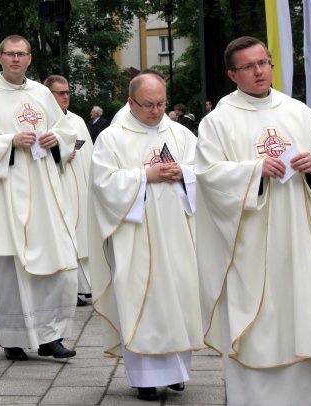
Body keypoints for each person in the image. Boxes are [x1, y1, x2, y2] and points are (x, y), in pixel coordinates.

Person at [196, 36, 311, 406]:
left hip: (299, 236)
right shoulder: (218, 121)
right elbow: (208, 175)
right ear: (232, 74)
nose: (260, 71)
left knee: (303, 309)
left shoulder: (299, 111)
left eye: (264, 62)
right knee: (258, 322)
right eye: (248, 66)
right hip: (249, 244)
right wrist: (254, 171)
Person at [0, 35, 79, 361]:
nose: (16, 60)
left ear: (30, 58)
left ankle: (51, 336)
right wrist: (9, 141)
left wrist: (54, 139)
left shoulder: (41, 93)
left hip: (44, 192)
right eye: (10, 54)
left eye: (21, 54)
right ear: (0, 57)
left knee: (55, 262)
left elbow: (66, 132)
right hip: (6, 193)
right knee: (12, 267)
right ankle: (14, 337)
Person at [89, 71, 202, 401]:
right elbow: (103, 183)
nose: (155, 111)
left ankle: (179, 371)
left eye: (161, 103)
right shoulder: (112, 138)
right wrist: (144, 176)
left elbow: (203, 171)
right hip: (134, 235)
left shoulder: (181, 134)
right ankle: (146, 378)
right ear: (130, 102)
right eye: (148, 104)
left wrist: (185, 174)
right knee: (141, 298)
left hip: (178, 233)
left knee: (180, 296)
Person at [44, 75, 93, 307]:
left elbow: (91, 156)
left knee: (81, 235)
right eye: (60, 93)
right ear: (48, 95)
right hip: (57, 188)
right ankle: (66, 291)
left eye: (67, 92)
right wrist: (61, 154)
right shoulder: (44, 121)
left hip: (79, 187)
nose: (66, 97)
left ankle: (83, 287)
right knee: (62, 238)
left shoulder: (78, 120)